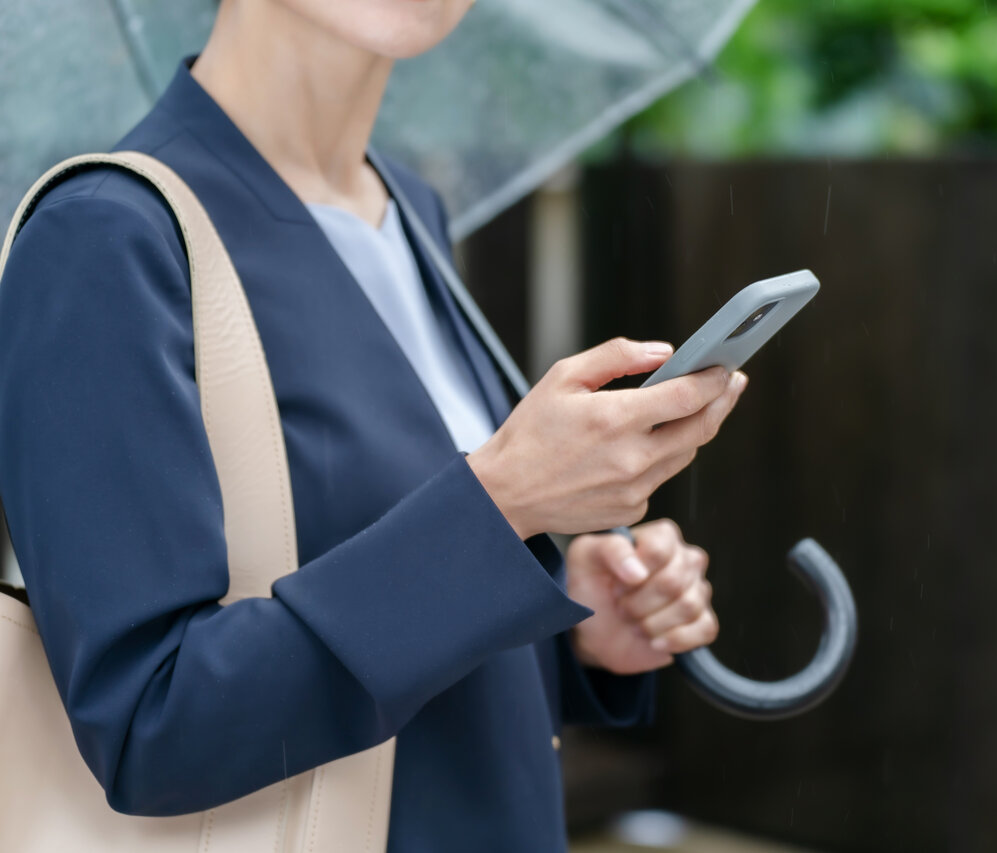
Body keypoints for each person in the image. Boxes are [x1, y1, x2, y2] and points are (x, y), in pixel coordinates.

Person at [0, 1, 747, 850]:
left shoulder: (409, 211)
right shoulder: (103, 236)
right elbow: (153, 725)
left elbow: (400, 600)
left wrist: (574, 616)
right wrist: (501, 503)